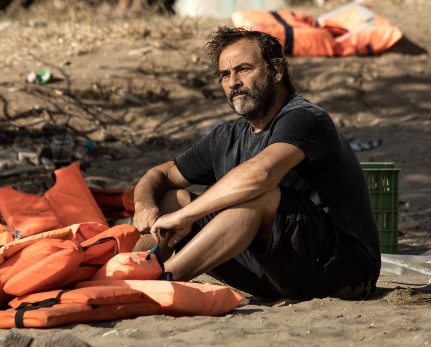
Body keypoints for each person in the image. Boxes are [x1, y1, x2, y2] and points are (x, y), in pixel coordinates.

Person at [133, 26, 380, 301]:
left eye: (244, 69)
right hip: (267, 272)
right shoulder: (226, 136)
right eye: (225, 75)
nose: (233, 82)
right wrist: (144, 206)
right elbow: (162, 173)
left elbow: (261, 174)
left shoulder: (305, 118)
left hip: (341, 271)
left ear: (277, 71)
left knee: (258, 194)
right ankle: (128, 275)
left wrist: (185, 216)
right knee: (170, 199)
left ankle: (160, 282)